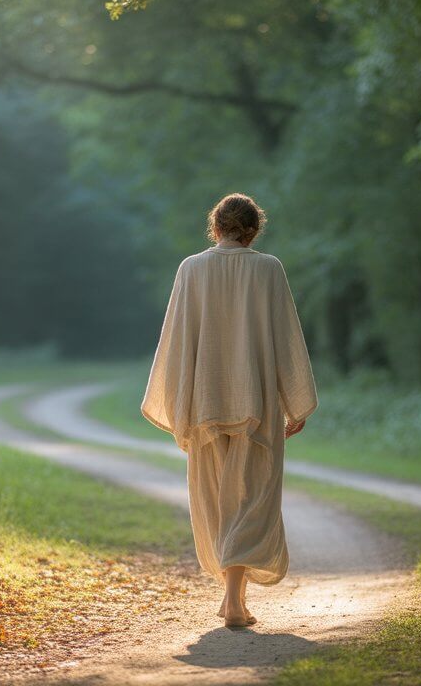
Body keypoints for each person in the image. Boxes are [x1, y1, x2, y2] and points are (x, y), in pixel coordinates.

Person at [140, 193, 318, 629]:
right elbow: (286, 338)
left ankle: (230, 596)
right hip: (254, 402)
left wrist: (178, 400)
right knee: (252, 497)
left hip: (204, 399)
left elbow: (176, 338)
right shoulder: (268, 269)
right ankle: (235, 599)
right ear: (254, 230)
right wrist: (295, 401)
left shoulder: (191, 268)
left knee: (215, 496)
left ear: (215, 228)